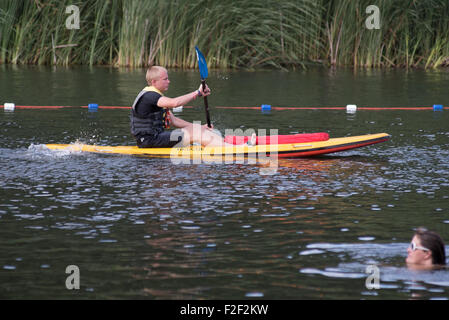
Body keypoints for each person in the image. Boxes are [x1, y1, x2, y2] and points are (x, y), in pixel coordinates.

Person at [130, 66, 255, 148]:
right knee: (195, 133)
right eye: (165, 79)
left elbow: (174, 121)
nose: (169, 81)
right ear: (154, 82)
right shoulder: (149, 96)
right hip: (148, 141)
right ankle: (238, 149)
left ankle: (230, 145)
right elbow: (175, 103)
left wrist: (201, 127)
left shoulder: (156, 96)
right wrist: (197, 93)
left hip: (157, 138)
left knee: (200, 130)